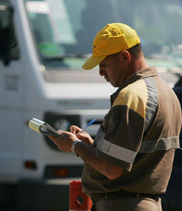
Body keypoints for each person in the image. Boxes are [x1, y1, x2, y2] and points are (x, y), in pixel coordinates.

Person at [49, 23, 182, 211]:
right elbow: (133, 152)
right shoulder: (166, 92)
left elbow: (112, 168)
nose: (101, 72)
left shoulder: (131, 96)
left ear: (124, 56)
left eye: (103, 64)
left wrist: (74, 145)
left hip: (121, 205)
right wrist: (93, 146)